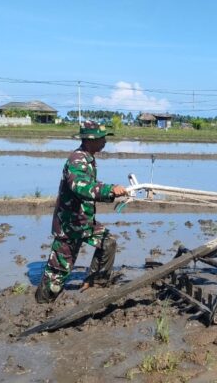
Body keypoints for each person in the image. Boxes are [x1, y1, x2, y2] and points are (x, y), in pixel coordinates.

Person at [35, 120, 128, 303]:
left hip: (83, 221)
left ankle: (95, 282)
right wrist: (109, 189)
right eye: (102, 138)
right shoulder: (77, 159)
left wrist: (111, 194)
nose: (105, 142)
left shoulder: (89, 158)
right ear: (89, 140)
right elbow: (80, 186)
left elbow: (89, 189)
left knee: (107, 243)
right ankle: (41, 304)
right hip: (69, 225)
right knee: (57, 274)